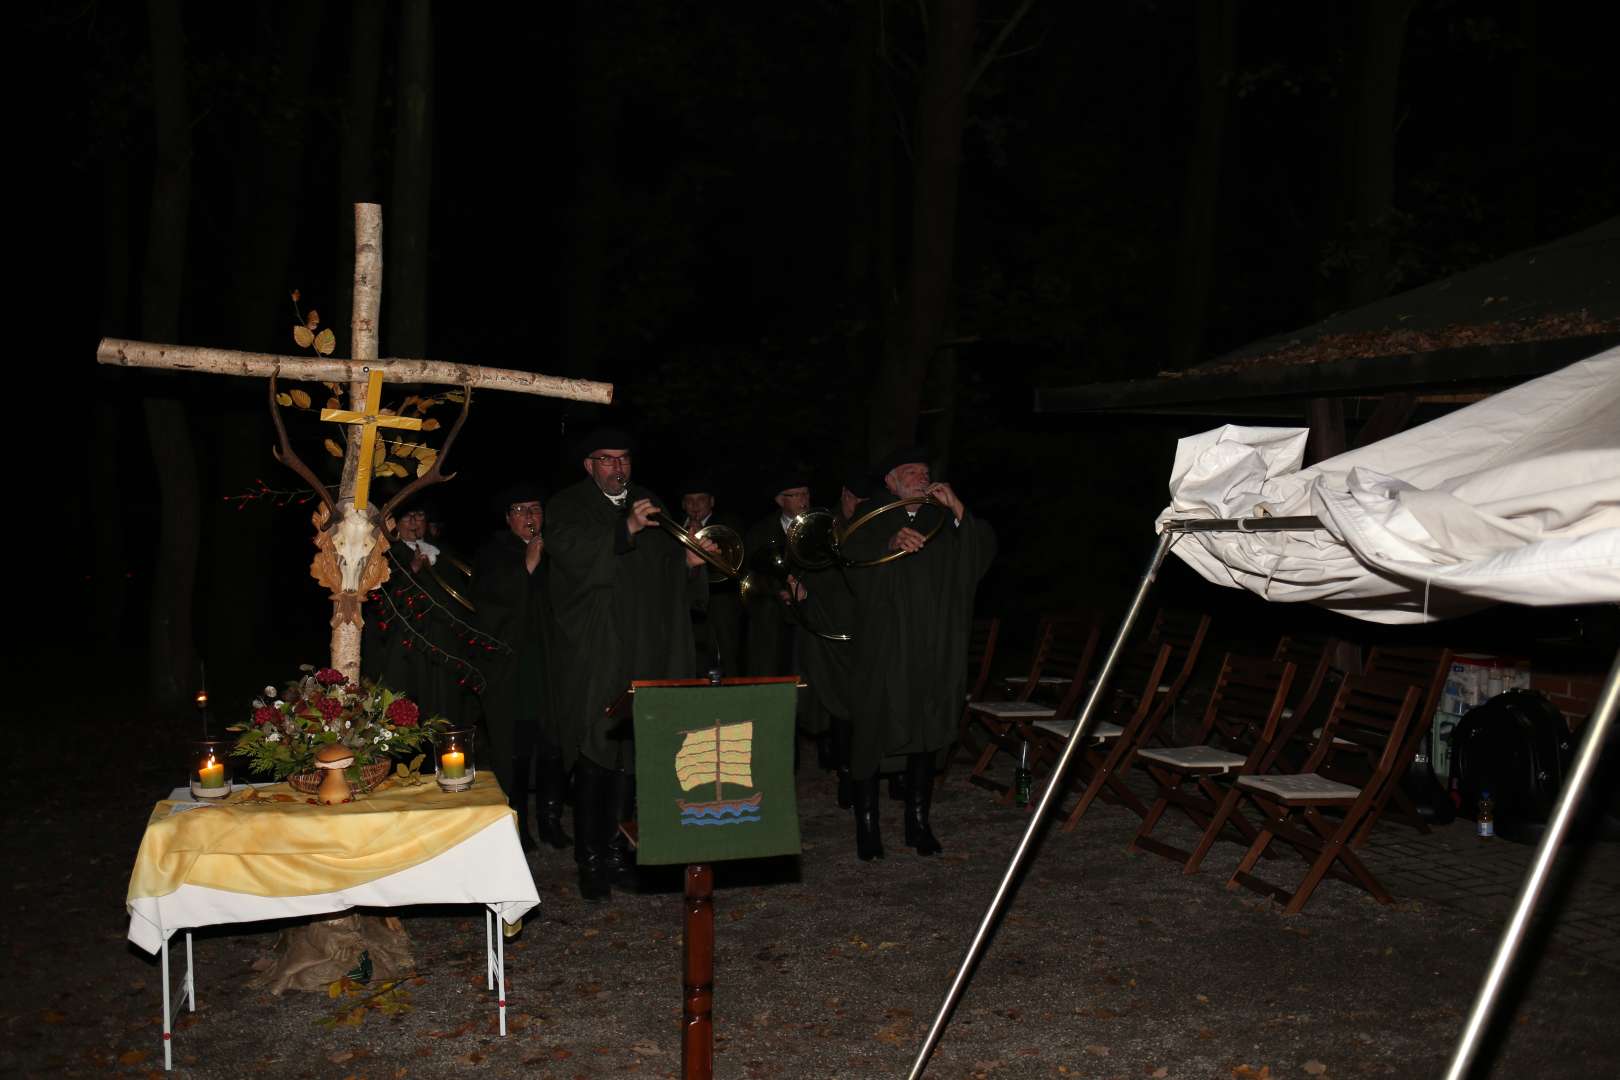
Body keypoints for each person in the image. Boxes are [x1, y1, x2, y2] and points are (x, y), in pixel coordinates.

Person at [545, 427, 711, 901]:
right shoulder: (567, 506)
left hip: (644, 644)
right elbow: (571, 557)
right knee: (597, 747)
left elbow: (659, 570)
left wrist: (690, 564)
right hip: (596, 648)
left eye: (623, 459)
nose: (617, 468)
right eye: (606, 460)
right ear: (589, 466)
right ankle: (590, 861)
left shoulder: (648, 499)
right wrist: (626, 531)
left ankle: (621, 854)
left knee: (635, 752)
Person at [839, 447, 995, 860]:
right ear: (890, 480)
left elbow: (976, 558)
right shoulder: (868, 515)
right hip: (885, 645)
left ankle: (918, 823)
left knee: (927, 723)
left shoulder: (940, 517)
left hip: (932, 643)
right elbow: (850, 560)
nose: (921, 476)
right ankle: (868, 827)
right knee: (872, 726)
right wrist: (889, 543)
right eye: (910, 470)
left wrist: (960, 509)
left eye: (925, 471)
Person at [472, 484, 565, 853]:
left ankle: (551, 820)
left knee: (553, 745)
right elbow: (487, 608)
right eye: (520, 509)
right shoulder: (493, 553)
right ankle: (517, 823)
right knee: (517, 749)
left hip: (552, 665)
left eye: (535, 508)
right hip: (513, 671)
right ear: (508, 517)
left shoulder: (558, 548)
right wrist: (527, 564)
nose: (529, 517)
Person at [362, 499, 475, 729]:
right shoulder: (386, 556)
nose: (414, 522)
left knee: (446, 711)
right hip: (406, 652)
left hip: (443, 649)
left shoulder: (443, 553)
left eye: (420, 515)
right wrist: (412, 569)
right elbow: (381, 601)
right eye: (407, 517)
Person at [796, 472, 873, 807]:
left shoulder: (874, 523)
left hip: (867, 626)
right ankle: (846, 773)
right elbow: (807, 566)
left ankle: (866, 771)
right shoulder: (823, 525)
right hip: (830, 625)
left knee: (865, 704)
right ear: (844, 494)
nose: (859, 505)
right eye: (855, 497)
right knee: (840, 705)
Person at [743, 475, 813, 679]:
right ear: (780, 500)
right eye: (796, 495)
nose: (804, 499)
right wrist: (778, 590)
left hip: (811, 616)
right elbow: (750, 576)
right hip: (771, 621)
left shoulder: (822, 526)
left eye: (806, 493)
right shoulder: (760, 532)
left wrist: (807, 591)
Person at [678, 479, 745, 677]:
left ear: (712, 502)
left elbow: (732, 563)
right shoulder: (675, 526)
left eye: (701, 500)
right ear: (683, 505)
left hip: (720, 602)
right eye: (689, 501)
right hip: (686, 603)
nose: (695, 505)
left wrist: (703, 537)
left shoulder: (728, 524)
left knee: (727, 655)